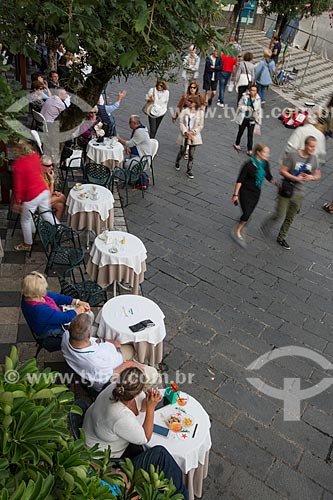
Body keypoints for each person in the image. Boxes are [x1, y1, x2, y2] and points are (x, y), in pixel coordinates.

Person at [83, 367, 189, 499]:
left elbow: (137, 407)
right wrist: (151, 408)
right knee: (161, 454)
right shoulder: (119, 416)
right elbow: (146, 437)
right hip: (104, 460)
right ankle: (182, 496)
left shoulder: (114, 389)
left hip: (96, 438)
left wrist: (148, 401)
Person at [61, 313, 158, 391]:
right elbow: (111, 377)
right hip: (117, 370)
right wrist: (129, 364)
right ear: (88, 334)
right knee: (153, 374)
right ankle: (140, 392)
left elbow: (92, 341)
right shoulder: (93, 362)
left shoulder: (66, 335)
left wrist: (105, 341)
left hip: (116, 354)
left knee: (131, 347)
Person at [261, 136, 321, 250]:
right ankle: (267, 223)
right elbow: (282, 171)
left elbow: (318, 174)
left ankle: (281, 237)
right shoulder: (293, 156)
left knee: (290, 217)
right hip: (287, 189)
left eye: (315, 147)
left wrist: (311, 177)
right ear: (305, 145)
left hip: (299, 193)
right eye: (311, 146)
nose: (313, 149)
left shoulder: (313, 159)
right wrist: (295, 178)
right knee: (279, 214)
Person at [21, 271, 91, 350]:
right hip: (48, 332)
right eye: (43, 291)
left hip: (46, 322)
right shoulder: (39, 310)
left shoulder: (28, 295)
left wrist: (77, 302)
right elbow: (65, 318)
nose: (45, 292)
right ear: (36, 294)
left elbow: (57, 297)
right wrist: (78, 310)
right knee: (80, 333)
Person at [12, 140, 57, 252]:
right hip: (43, 190)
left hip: (32, 195)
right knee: (46, 213)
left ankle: (28, 244)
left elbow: (19, 186)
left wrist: (17, 201)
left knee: (25, 220)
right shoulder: (35, 156)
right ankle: (59, 230)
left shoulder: (19, 164)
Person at [231, 144, 277, 247]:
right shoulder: (248, 165)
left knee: (248, 214)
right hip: (245, 192)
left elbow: (268, 176)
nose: (268, 155)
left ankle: (242, 222)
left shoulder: (265, 164)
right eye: (266, 152)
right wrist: (235, 195)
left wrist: (277, 185)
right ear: (259, 153)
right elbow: (240, 180)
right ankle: (237, 230)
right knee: (247, 214)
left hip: (256, 193)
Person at [175, 95, 204, 179]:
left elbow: (201, 125)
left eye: (191, 102)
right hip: (185, 134)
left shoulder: (200, 112)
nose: (189, 103)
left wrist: (193, 132)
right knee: (182, 150)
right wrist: (185, 131)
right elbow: (181, 123)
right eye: (189, 101)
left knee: (191, 154)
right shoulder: (185, 111)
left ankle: (189, 169)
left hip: (194, 135)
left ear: (195, 103)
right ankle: (177, 161)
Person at [234, 84, 262, 156]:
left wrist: (259, 120)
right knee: (241, 131)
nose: (253, 92)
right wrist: (246, 108)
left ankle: (249, 149)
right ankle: (237, 143)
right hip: (244, 118)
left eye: (254, 90)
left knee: (250, 135)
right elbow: (239, 105)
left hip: (252, 119)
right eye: (252, 90)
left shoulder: (258, 99)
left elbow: (259, 110)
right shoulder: (245, 97)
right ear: (250, 91)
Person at [41, 155, 66, 221]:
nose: (51, 167)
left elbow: (47, 190)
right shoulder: (40, 176)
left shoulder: (45, 174)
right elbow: (48, 195)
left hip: (44, 199)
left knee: (60, 206)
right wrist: (52, 180)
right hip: (38, 203)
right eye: (48, 166)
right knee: (61, 197)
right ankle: (70, 212)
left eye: (52, 165)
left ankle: (57, 228)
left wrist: (55, 192)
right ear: (42, 166)